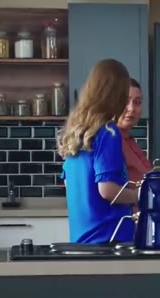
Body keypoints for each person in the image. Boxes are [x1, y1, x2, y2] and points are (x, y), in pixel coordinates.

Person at [57, 59, 140, 244]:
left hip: (81, 242)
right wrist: (141, 196)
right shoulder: (108, 132)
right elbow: (108, 190)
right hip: (109, 240)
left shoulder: (77, 132)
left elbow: (68, 184)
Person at [117, 78, 153, 182]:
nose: (132, 108)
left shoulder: (130, 140)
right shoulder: (110, 140)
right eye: (125, 102)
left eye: (137, 102)